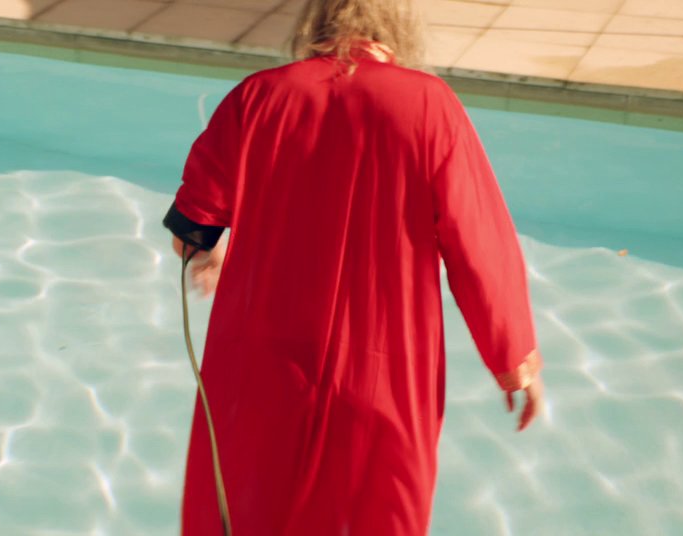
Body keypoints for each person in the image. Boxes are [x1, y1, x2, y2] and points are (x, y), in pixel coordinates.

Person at [162, 0, 544, 533]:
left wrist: (209, 255)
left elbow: (191, 230)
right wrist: (513, 357)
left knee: (247, 513)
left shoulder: (258, 96)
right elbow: (481, 247)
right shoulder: (429, 104)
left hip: (260, 372)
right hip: (382, 373)